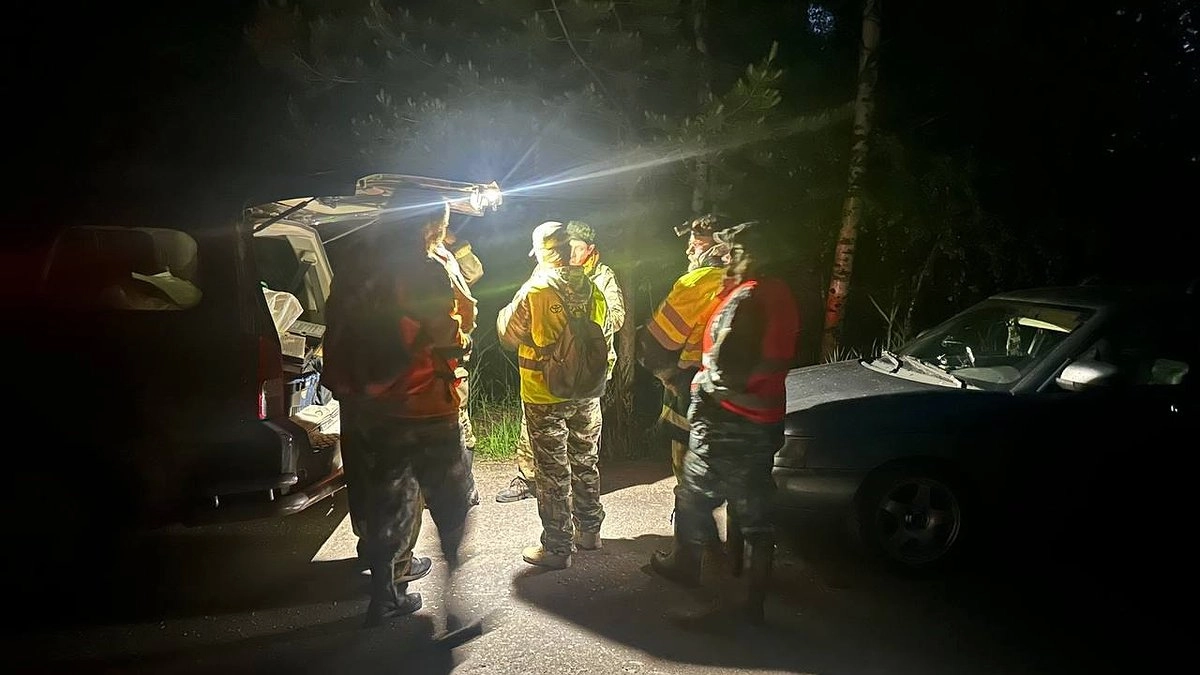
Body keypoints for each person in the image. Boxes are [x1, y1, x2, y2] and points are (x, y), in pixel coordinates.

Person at [322, 200, 474, 625]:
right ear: (427, 225)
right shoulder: (422, 270)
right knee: (450, 499)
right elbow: (449, 336)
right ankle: (454, 599)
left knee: (388, 501)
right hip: (424, 404)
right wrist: (462, 337)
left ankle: (386, 594)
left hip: (373, 408)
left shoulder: (354, 267)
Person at [648, 221, 799, 625]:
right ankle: (751, 605)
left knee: (694, 501)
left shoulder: (746, 300)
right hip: (765, 419)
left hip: (728, 423)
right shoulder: (781, 293)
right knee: (756, 516)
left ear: (756, 255)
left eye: (737, 253)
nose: (730, 260)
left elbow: (728, 368)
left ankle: (717, 600)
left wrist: (703, 386)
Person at [497, 221, 610, 568]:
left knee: (551, 472)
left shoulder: (536, 290)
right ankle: (590, 532)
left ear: (542, 253)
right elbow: (604, 329)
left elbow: (508, 334)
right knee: (585, 460)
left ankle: (558, 548)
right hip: (586, 391)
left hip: (544, 393)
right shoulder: (592, 287)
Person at [637, 214, 733, 484]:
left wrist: (666, 376)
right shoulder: (752, 281)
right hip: (740, 393)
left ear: (720, 247)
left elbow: (655, 342)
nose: (689, 249)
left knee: (691, 473)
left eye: (697, 242)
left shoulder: (697, 283)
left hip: (694, 386)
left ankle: (689, 505)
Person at [431, 226, 485, 506]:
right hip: (436, 352)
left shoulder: (444, 257)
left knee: (457, 419)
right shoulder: (422, 261)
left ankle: (463, 488)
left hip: (448, 352)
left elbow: (473, 273)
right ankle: (448, 489)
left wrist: (458, 244)